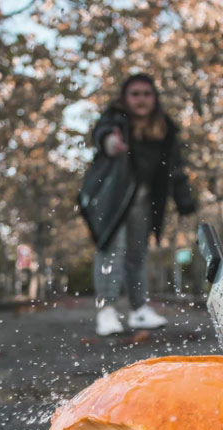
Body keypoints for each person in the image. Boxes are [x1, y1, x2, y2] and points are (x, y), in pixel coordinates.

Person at [79, 73, 197, 336]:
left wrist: (184, 199)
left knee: (137, 254)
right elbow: (101, 133)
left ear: (154, 97)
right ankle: (107, 310)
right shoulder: (115, 118)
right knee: (111, 249)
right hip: (113, 198)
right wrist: (109, 141)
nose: (141, 99)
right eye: (135, 94)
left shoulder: (165, 128)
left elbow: (174, 167)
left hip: (145, 200)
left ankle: (139, 310)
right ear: (125, 98)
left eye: (146, 93)